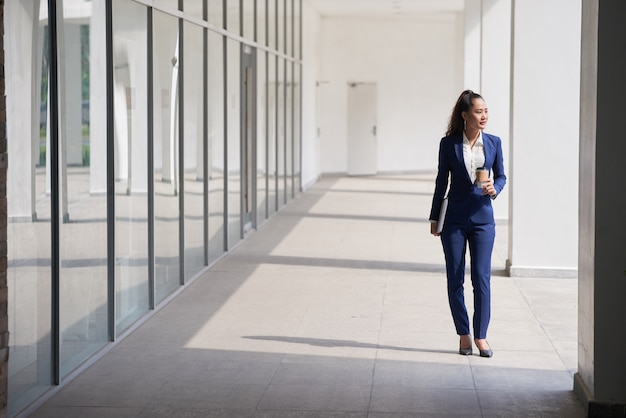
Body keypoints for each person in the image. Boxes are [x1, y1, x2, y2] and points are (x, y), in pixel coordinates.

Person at [429, 89, 506, 357]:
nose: (484, 116)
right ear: (465, 115)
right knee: (455, 278)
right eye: (478, 111)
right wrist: (434, 216)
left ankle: (481, 336)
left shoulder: (494, 142)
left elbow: (502, 177)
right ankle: (464, 334)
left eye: (485, 111)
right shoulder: (448, 144)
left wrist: (494, 189)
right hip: (454, 220)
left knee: (482, 279)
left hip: (483, 220)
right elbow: (442, 181)